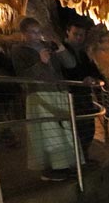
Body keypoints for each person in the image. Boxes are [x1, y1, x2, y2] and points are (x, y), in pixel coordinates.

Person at [11, 16, 79, 181]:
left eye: (38, 31)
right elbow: (23, 76)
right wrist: (40, 62)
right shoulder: (18, 50)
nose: (36, 35)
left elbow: (70, 64)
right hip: (39, 94)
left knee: (64, 131)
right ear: (24, 33)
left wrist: (60, 47)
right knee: (47, 133)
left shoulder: (48, 47)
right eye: (32, 32)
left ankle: (66, 164)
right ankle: (51, 168)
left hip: (58, 91)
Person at [62, 19, 104, 159]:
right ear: (68, 32)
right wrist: (82, 79)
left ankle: (84, 156)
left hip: (84, 95)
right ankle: (77, 160)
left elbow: (93, 70)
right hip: (70, 95)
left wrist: (95, 78)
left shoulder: (82, 54)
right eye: (76, 34)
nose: (79, 38)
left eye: (81, 35)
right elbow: (67, 71)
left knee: (88, 126)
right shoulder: (61, 51)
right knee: (77, 127)